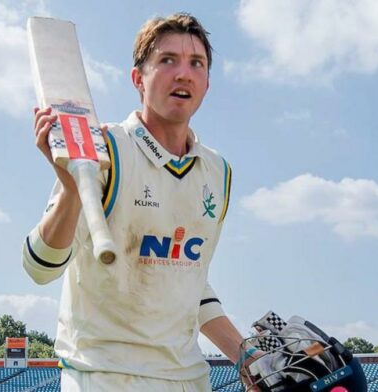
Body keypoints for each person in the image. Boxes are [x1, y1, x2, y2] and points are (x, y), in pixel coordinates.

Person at [22, 13, 263, 391]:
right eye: (167, 60)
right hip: (103, 376)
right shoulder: (103, 149)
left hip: (187, 378)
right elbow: (40, 267)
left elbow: (190, 283)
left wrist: (246, 357)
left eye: (195, 63)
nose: (183, 73)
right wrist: (71, 189)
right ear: (138, 79)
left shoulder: (218, 173)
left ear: (207, 83)